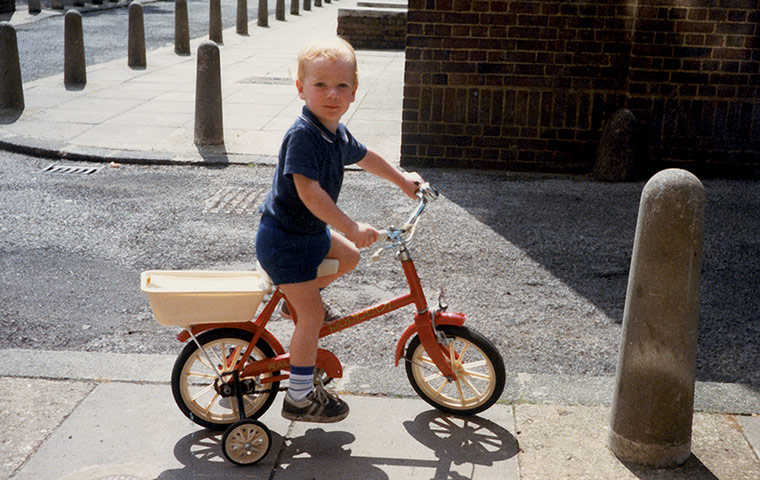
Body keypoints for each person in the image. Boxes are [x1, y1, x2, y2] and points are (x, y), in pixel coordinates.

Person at [255, 37, 423, 423]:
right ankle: (298, 397)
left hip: (307, 235)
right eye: (320, 85)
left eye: (341, 86)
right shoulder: (303, 135)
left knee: (349, 255)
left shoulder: (334, 130)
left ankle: (294, 302)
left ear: (353, 92)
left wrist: (403, 180)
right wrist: (350, 224)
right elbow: (309, 193)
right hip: (285, 241)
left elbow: (366, 157)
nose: (331, 94)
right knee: (312, 317)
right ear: (300, 88)